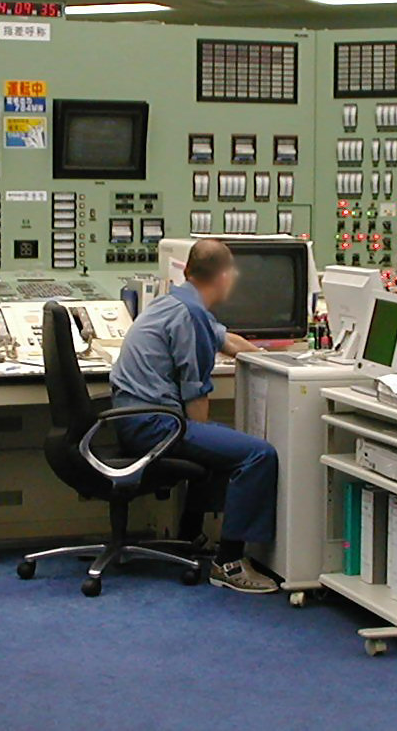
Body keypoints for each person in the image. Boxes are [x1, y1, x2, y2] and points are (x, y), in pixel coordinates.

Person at [110, 239, 280, 594]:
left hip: (133, 417)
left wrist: (281, 363)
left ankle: (192, 537)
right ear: (225, 278)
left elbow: (226, 340)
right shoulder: (191, 314)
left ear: (187, 271)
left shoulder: (177, 302)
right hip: (154, 425)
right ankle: (229, 563)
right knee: (257, 454)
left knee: (220, 443)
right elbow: (195, 400)